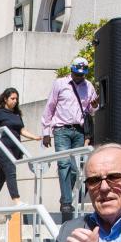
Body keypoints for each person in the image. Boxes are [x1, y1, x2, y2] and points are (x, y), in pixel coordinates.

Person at [41, 57, 98, 219]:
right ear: (71, 70)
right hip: (61, 130)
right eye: (77, 74)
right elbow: (50, 106)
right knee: (64, 163)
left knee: (75, 168)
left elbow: (91, 111)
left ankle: (65, 197)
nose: (79, 77)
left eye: (82, 75)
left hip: (79, 131)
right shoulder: (60, 83)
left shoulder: (89, 86)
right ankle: (67, 202)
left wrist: (95, 106)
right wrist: (46, 132)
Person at [0, 87, 40, 204]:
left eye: (16, 99)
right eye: (12, 98)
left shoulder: (16, 114)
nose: (15, 101)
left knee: (1, 176)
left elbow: (21, 130)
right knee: (10, 169)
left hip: (14, 149)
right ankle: (17, 200)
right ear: (5, 99)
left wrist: (35, 137)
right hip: (1, 147)